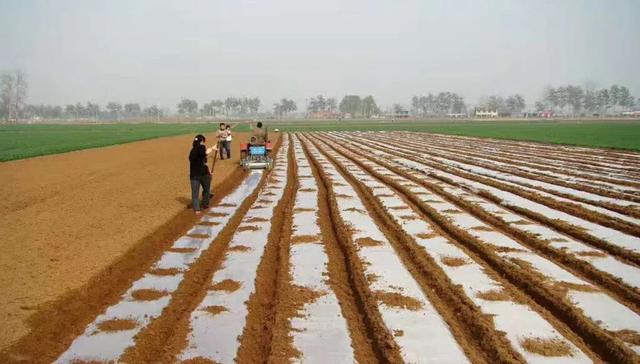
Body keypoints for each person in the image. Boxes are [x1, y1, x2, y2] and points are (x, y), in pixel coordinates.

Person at [189, 134, 217, 214]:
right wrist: (212, 148)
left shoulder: (192, 151)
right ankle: (205, 204)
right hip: (203, 175)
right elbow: (203, 154)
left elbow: (204, 160)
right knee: (207, 190)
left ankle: (197, 209)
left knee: (195, 193)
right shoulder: (201, 147)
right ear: (202, 141)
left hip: (194, 175)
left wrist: (209, 171)